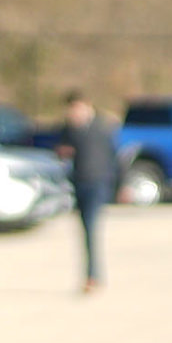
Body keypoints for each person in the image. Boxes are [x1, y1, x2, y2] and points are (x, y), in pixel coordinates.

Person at [59, 94, 119, 293]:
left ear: (87, 107)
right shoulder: (69, 129)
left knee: (90, 229)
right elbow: (61, 151)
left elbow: (114, 157)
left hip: (98, 184)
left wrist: (119, 185)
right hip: (79, 183)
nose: (74, 113)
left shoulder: (102, 127)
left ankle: (92, 276)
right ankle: (93, 275)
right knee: (85, 229)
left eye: (78, 108)